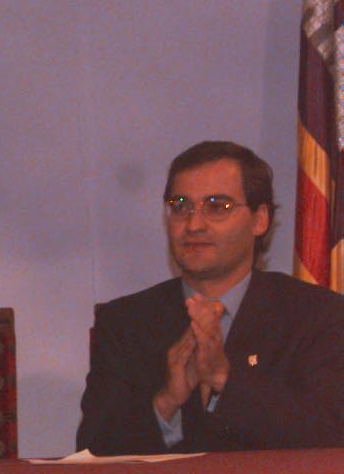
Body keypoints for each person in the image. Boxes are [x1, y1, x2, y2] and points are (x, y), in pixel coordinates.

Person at [77, 140, 344, 454]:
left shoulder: (318, 316)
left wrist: (224, 378)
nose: (193, 224)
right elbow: (92, 451)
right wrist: (166, 402)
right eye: (180, 206)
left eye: (217, 207)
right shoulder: (125, 323)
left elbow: (330, 437)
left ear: (260, 219)